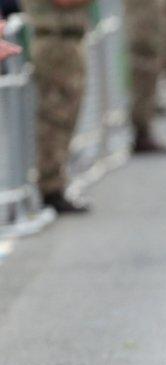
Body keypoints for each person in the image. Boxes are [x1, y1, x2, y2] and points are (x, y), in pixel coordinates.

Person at [21, 0, 92, 213]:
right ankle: (50, 187)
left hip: (64, 40)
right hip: (56, 42)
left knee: (64, 115)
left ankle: (54, 182)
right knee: (55, 116)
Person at [123, 0, 166, 154]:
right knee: (144, 61)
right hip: (143, 16)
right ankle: (141, 129)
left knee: (149, 60)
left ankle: (143, 126)